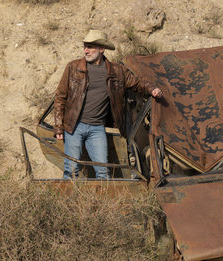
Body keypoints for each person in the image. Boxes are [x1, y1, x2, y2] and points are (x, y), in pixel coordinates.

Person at [54, 29, 162, 179]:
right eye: (85, 46)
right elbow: (60, 97)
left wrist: (152, 89)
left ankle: (101, 202)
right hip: (74, 127)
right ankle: (69, 202)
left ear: (102, 49)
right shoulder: (73, 68)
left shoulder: (117, 71)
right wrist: (59, 126)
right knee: (71, 170)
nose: (86, 51)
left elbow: (137, 83)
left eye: (90, 47)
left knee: (103, 172)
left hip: (97, 129)